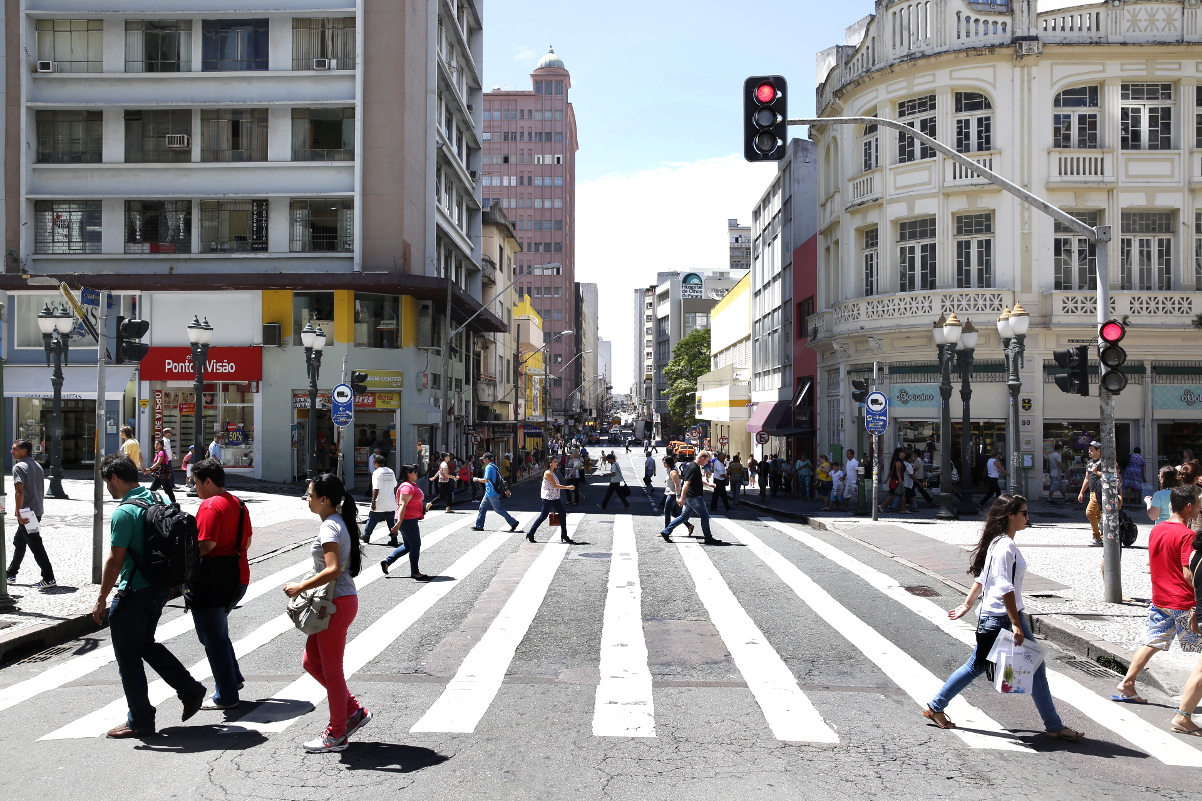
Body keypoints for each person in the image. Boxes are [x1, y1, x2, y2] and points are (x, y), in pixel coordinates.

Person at [923, 494, 1084, 741]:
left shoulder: (999, 542)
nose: (1028, 518)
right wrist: (1017, 624)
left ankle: (1053, 725)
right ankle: (935, 705)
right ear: (1011, 515)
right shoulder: (1005, 546)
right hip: (1002, 618)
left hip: (1000, 615)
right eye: (1024, 513)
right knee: (977, 665)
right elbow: (1004, 587)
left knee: (1030, 667)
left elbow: (983, 578)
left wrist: (967, 605)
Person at [94, 453, 207, 738]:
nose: (107, 486)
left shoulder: (124, 512)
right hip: (160, 589)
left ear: (115, 478)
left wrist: (101, 598)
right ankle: (189, 688)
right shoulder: (160, 500)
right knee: (146, 645)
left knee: (128, 659)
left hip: (133, 592)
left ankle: (141, 720)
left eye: (107, 480)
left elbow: (115, 560)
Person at [283, 473, 371, 752]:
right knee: (312, 662)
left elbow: (332, 569)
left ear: (324, 499)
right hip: (336, 601)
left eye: (309, 495)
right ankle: (353, 711)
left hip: (336, 603)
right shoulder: (335, 522)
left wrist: (300, 587)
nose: (307, 499)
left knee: (332, 672)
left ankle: (336, 733)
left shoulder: (330, 527)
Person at [1113, 485, 1202, 708]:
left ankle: (1127, 682)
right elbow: (1188, 572)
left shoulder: (1158, 529)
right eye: (1199, 506)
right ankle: (1187, 708)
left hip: (1160, 597)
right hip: (1184, 602)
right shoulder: (1187, 535)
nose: (1200, 510)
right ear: (1189, 506)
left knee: (1151, 641)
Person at [190, 458, 252, 711]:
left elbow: (206, 545)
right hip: (238, 576)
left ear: (208, 481)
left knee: (212, 639)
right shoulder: (239, 505)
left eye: (195, 483)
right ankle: (233, 679)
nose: (194, 488)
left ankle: (226, 695)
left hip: (210, 581)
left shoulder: (209, 506)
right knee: (218, 634)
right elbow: (246, 541)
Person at [6, 440, 54, 589]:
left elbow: (19, 491)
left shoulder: (19, 467)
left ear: (24, 451)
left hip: (27, 512)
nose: (11, 451)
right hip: (36, 510)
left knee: (35, 544)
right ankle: (11, 574)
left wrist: (19, 513)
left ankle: (49, 577)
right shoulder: (37, 465)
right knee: (19, 541)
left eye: (14, 449)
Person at [660, 451, 722, 545]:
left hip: (690, 497)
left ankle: (666, 531)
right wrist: (681, 498)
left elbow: (698, 479)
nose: (707, 463)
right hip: (694, 496)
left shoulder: (694, 466)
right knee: (704, 516)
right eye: (707, 460)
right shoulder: (693, 467)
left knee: (683, 516)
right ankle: (708, 538)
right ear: (702, 458)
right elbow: (686, 483)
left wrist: (708, 484)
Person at [383, 464, 430, 580]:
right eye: (415, 472)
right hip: (407, 519)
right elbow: (402, 504)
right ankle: (415, 572)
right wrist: (399, 522)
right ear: (409, 474)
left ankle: (387, 562)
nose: (417, 473)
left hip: (409, 518)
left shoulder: (411, 485)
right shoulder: (406, 486)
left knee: (408, 545)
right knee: (415, 545)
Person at [1078, 441, 1122, 545]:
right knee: (1098, 515)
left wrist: (1097, 472)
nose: (1089, 452)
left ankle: (1097, 536)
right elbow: (1087, 479)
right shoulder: (1089, 463)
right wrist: (1081, 492)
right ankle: (1103, 536)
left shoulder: (1106, 462)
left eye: (1091, 450)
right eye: (1089, 450)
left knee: (1090, 512)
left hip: (1104, 492)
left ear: (1099, 451)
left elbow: (1113, 477)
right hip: (1093, 492)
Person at [527, 455, 575, 544]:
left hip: (555, 497)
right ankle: (531, 533)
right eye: (555, 461)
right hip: (548, 497)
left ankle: (564, 535)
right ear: (550, 463)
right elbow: (555, 485)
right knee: (543, 516)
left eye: (557, 461)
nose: (557, 463)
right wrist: (568, 487)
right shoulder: (548, 473)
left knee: (563, 514)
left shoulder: (552, 472)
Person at [471, 452, 522, 532]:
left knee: (498, 509)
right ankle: (479, 526)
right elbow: (500, 480)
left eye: (484, 459)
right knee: (482, 508)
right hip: (490, 492)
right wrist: (505, 489)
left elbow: (486, 480)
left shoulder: (488, 467)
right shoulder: (495, 467)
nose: (483, 461)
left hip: (492, 492)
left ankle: (513, 522)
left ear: (487, 459)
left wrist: (476, 479)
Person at [362, 454, 398, 546]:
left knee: (372, 519)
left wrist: (373, 501)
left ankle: (366, 535)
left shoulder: (377, 473)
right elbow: (394, 486)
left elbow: (376, 489)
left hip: (380, 502)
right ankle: (394, 537)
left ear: (376, 463)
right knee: (391, 521)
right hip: (390, 502)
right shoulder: (390, 471)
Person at [661, 455, 694, 536]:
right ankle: (689, 525)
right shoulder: (670, 471)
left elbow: (677, 485)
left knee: (667, 512)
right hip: (671, 493)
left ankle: (666, 531)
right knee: (675, 513)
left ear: (668, 463)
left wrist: (678, 496)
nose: (663, 464)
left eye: (664, 462)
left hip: (673, 494)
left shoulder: (673, 471)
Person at [146, 438, 176, 504]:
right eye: (155, 444)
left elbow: (158, 463)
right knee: (168, 490)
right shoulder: (161, 452)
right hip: (164, 473)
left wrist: (150, 469)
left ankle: (148, 503)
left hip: (161, 473)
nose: (155, 445)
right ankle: (174, 502)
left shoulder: (161, 452)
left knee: (152, 490)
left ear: (161, 445)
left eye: (157, 444)